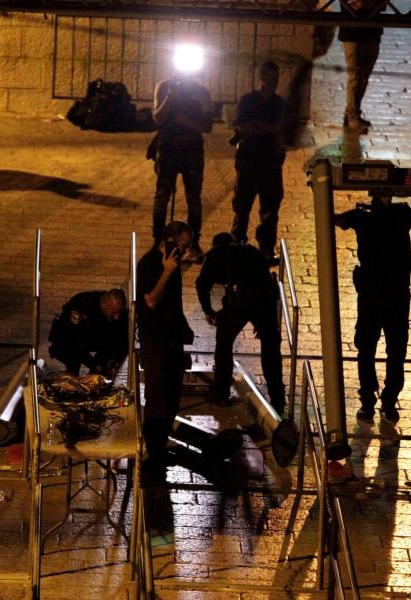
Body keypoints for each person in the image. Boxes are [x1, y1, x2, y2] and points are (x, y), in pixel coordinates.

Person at [334, 195, 411, 424]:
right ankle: (377, 400)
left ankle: (378, 401)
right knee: (379, 348)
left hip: (382, 293)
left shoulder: (386, 214)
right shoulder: (378, 214)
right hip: (382, 293)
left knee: (382, 349)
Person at [196, 232, 285, 413]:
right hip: (263, 300)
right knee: (270, 347)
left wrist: (208, 310)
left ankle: (220, 392)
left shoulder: (214, 255)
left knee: (224, 344)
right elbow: (267, 281)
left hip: (239, 301)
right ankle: (278, 398)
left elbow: (201, 284)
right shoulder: (251, 251)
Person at [136, 221, 194, 471]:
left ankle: (160, 445)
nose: (185, 250)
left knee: (172, 396)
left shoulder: (174, 264)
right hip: (155, 340)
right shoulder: (150, 264)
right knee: (157, 396)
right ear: (169, 240)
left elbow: (174, 302)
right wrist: (167, 272)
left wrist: (184, 328)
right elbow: (150, 300)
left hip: (172, 338)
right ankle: (153, 450)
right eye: (183, 244)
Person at [151, 72, 213, 262]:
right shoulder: (164, 87)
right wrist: (171, 96)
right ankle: (158, 241)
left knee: (193, 199)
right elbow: (158, 117)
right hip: (168, 149)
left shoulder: (201, 92)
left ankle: (193, 244)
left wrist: (184, 120)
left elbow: (207, 126)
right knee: (162, 196)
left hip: (192, 151)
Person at [231, 61, 287, 266]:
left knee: (270, 207)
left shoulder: (279, 104)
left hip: (271, 162)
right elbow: (243, 127)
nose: (275, 80)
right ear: (262, 76)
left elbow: (283, 131)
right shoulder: (248, 100)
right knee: (242, 204)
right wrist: (270, 129)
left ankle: (266, 248)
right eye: (272, 76)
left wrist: (260, 125)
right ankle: (237, 244)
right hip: (249, 159)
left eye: (277, 76)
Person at [48, 289, 129, 378]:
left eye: (119, 313)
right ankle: (66, 380)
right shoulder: (82, 304)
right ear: (104, 305)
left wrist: (109, 364)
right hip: (68, 339)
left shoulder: (118, 312)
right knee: (73, 363)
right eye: (114, 313)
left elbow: (122, 340)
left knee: (101, 371)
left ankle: (95, 382)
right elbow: (73, 340)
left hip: (91, 338)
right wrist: (93, 365)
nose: (117, 317)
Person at [339, 0, 383, 134]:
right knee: (356, 75)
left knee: (363, 76)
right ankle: (352, 117)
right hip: (352, 31)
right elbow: (356, 5)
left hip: (372, 31)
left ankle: (352, 113)